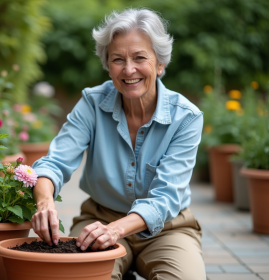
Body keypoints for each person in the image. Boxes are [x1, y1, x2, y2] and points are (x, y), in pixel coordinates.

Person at [31, 8, 206, 280]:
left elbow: (166, 197)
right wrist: (44, 204)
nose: (128, 69)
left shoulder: (186, 117)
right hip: (98, 221)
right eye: (117, 59)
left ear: (160, 64)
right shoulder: (91, 103)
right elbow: (54, 162)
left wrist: (116, 230)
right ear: (107, 65)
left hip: (168, 229)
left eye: (139, 58)